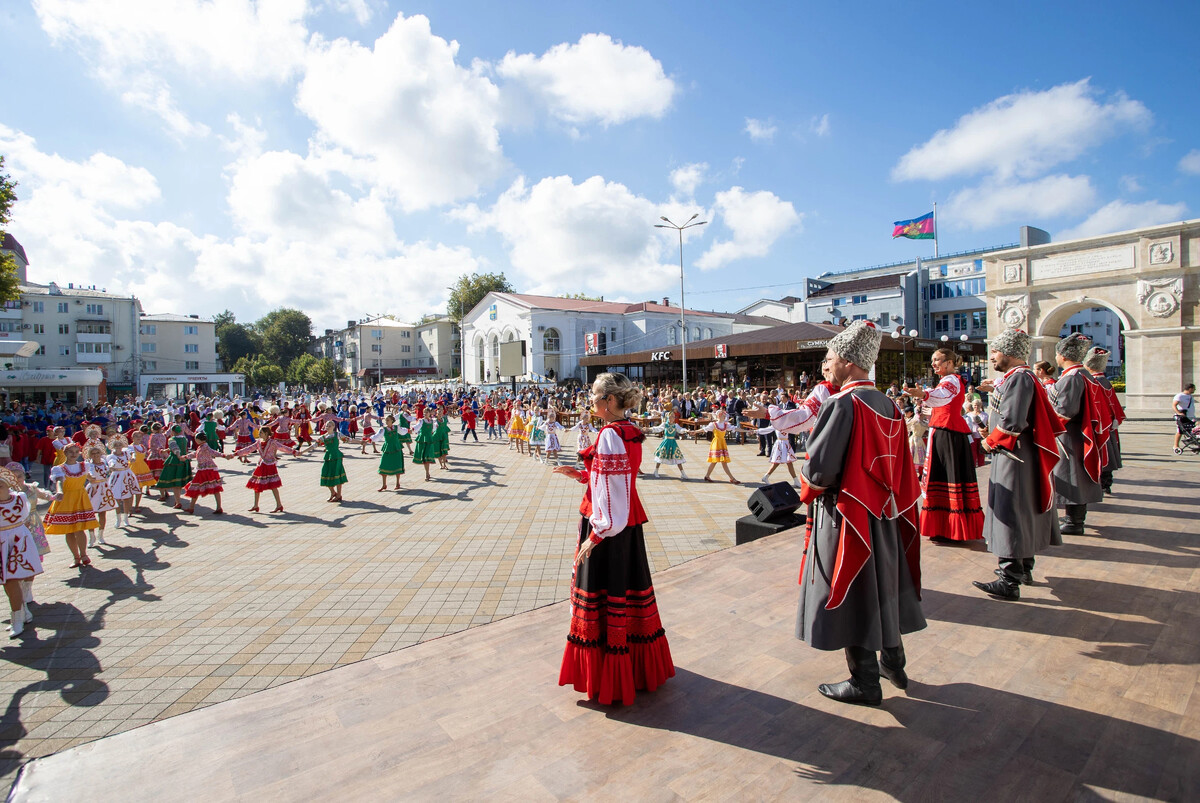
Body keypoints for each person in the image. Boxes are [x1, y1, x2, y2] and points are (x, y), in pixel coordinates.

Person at [795, 321, 924, 705]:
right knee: (882, 585)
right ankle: (893, 660)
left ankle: (865, 682)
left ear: (849, 362)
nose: (827, 365)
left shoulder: (842, 404)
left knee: (851, 591)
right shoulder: (889, 404)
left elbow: (819, 471)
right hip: (883, 513)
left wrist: (806, 485)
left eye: (831, 358)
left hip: (846, 515)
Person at [552, 372, 674, 705]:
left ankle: (608, 675)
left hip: (609, 525)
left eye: (593, 396)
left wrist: (599, 533)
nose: (589, 401)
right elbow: (611, 478)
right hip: (625, 522)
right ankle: (633, 667)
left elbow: (611, 490)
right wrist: (579, 474)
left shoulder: (609, 434)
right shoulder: (628, 430)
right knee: (627, 591)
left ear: (608, 402)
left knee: (604, 594)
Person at [971, 329, 1065, 601]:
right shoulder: (1018, 377)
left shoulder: (1020, 379)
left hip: (1012, 453)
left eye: (996, 351)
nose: (992, 356)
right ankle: (1022, 570)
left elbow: (1012, 422)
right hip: (1019, 453)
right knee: (1020, 509)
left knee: (1010, 511)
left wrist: (988, 442)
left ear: (1010, 353)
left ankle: (1009, 580)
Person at [903, 349, 984, 543]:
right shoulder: (948, 380)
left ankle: (951, 528)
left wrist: (923, 394)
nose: (933, 364)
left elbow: (941, 396)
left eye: (937, 360)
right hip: (944, 432)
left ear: (948, 363)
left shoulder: (952, 380)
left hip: (949, 434)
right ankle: (945, 527)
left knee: (948, 477)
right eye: (932, 360)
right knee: (942, 477)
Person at [1052, 333, 1108, 535]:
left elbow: (1063, 411)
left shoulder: (1071, 378)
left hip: (1069, 435)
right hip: (1077, 433)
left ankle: (1074, 522)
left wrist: (1043, 430)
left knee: (1071, 476)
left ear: (1063, 355)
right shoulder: (1083, 375)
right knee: (1076, 476)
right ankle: (1074, 519)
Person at [0, 466, 45, 638]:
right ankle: (23, 611)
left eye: (0, 486)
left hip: (18, 542)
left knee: (12, 579)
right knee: (8, 582)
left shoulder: (20, 498)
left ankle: (17, 619)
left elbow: (25, 518)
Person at [44, 443, 99, 569]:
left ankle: (84, 554)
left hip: (80, 498)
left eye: (76, 451)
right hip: (66, 499)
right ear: (65, 453)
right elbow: (59, 481)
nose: (74, 454)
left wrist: (94, 478)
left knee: (79, 528)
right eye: (70, 452)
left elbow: (91, 477)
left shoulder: (84, 466)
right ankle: (76, 557)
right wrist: (59, 491)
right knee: (68, 529)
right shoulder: (60, 468)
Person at [229, 428, 300, 513]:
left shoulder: (272, 442)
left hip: (270, 465)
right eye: (259, 432)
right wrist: (236, 453)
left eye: (261, 432)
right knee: (257, 484)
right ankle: (256, 505)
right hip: (261, 465)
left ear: (266, 433)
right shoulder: (258, 442)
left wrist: (294, 452)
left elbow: (283, 447)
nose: (259, 434)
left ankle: (279, 505)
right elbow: (249, 449)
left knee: (273, 486)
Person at [1085, 348, 1124, 494]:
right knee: (1109, 453)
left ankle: (1102, 484)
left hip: (1100, 425)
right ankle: (1107, 483)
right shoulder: (1105, 380)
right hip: (1109, 424)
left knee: (1102, 454)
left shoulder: (1094, 382)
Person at [182, 433, 226, 515]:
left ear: (200, 439)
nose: (195, 440)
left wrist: (224, 455)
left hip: (207, 470)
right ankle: (192, 507)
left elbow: (213, 452)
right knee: (205, 487)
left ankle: (192, 507)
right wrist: (186, 457)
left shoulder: (205, 447)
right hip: (205, 469)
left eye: (196, 439)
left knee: (199, 487)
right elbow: (195, 454)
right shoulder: (201, 447)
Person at [701, 409, 741, 484]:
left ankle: (707, 476)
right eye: (723, 415)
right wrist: (695, 431)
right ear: (719, 416)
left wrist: (746, 431)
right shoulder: (714, 424)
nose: (724, 416)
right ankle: (732, 478)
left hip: (722, 443)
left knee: (718, 461)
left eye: (724, 415)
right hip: (716, 443)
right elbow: (704, 429)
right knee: (718, 461)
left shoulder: (726, 424)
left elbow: (735, 428)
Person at [313, 421, 347, 502]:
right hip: (328, 457)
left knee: (337, 474)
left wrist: (361, 442)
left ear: (333, 426)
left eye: (330, 426)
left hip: (337, 456)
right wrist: (302, 452)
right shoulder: (323, 437)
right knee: (326, 473)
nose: (328, 427)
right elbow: (314, 445)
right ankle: (333, 492)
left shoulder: (337, 434)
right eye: (327, 426)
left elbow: (348, 440)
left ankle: (339, 495)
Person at [649, 411, 687, 479]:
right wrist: (650, 429)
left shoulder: (675, 425)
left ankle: (683, 473)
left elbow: (680, 430)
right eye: (671, 416)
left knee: (677, 456)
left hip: (673, 442)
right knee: (661, 456)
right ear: (667, 417)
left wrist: (686, 430)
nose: (672, 418)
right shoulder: (665, 424)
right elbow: (658, 428)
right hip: (666, 442)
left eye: (673, 417)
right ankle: (656, 471)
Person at [376, 414, 407, 491]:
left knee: (397, 464)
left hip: (396, 448)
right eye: (386, 420)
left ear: (392, 421)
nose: (386, 422)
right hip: (387, 448)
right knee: (384, 465)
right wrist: (370, 439)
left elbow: (403, 432)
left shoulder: (396, 428)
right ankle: (384, 485)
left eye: (388, 420)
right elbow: (378, 436)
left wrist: (409, 430)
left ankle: (397, 483)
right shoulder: (383, 429)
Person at [1173, 383, 1195, 452]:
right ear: (1190, 388)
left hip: (1191, 416)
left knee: (1193, 429)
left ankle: (1192, 441)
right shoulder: (1180, 396)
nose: (1195, 390)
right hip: (1182, 417)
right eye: (1194, 388)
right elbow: (1174, 405)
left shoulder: (1190, 396)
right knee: (1180, 431)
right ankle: (1175, 445)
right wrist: (1179, 413)